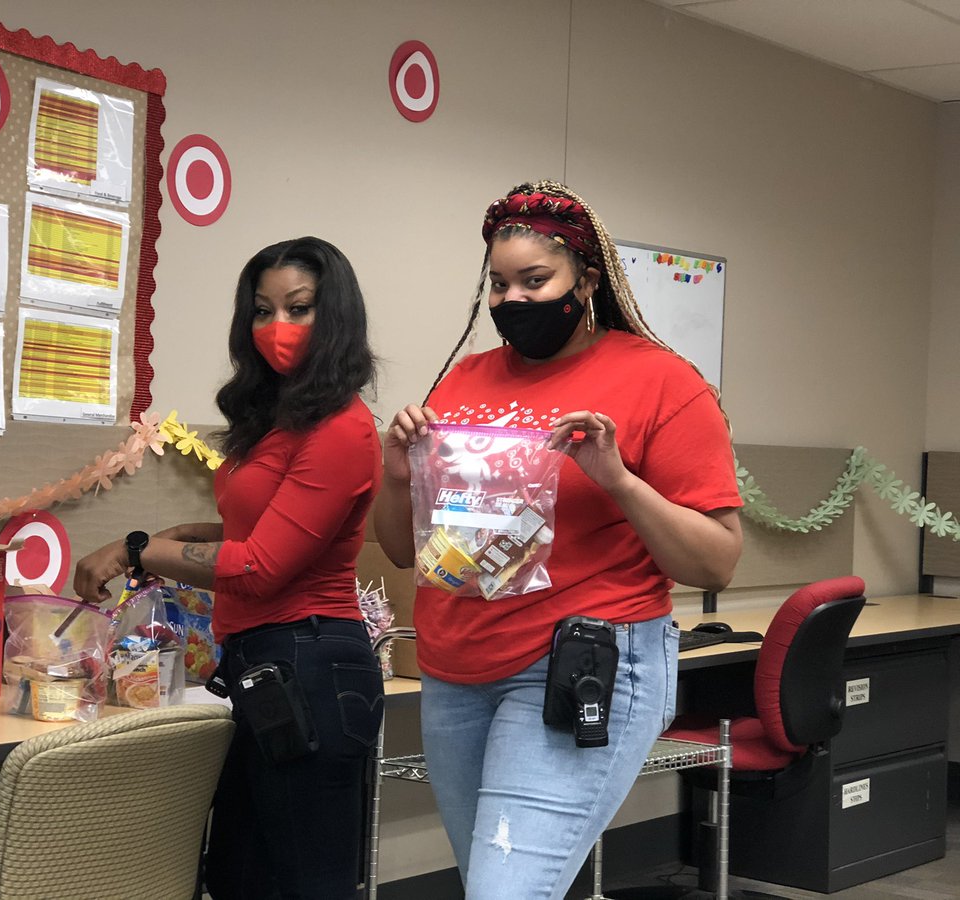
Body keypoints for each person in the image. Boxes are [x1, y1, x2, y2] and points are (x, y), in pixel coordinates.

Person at [373, 181, 743, 898]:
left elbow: (716, 558)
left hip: (576, 665)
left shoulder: (662, 383)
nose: (513, 300)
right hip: (455, 670)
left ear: (588, 279)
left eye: (535, 281)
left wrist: (619, 480)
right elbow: (401, 548)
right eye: (500, 284)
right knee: (496, 883)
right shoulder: (464, 380)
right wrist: (396, 476)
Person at [74, 236, 384, 900]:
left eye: (299, 309)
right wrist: (182, 536)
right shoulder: (281, 421)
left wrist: (133, 552)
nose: (279, 329)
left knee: (304, 883)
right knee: (240, 876)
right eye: (263, 311)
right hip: (261, 661)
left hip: (311, 663)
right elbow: (263, 530)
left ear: (335, 317)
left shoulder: (342, 429)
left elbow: (263, 566)